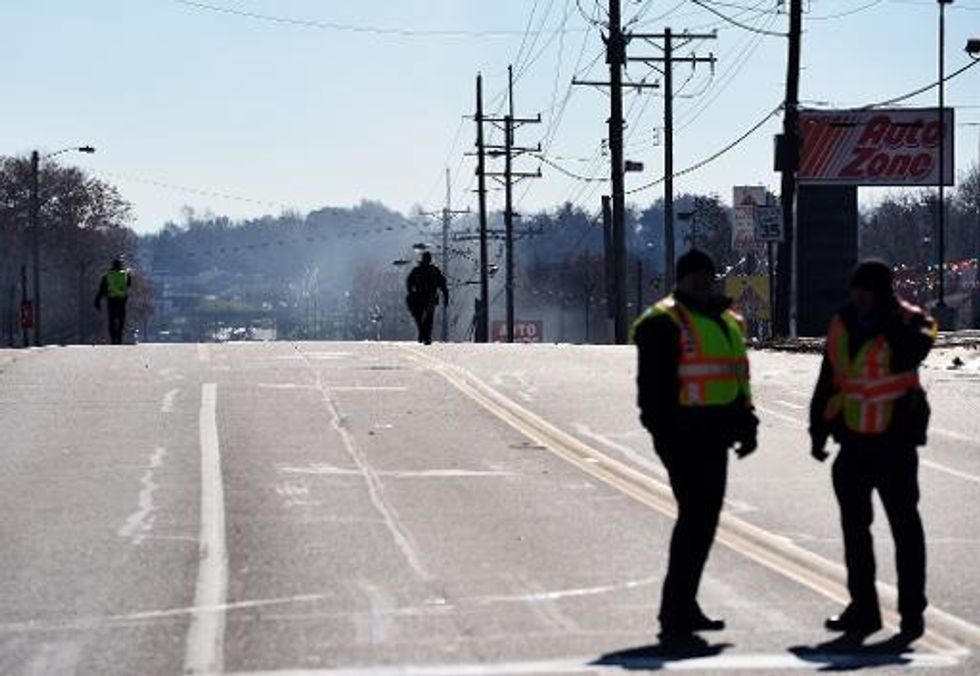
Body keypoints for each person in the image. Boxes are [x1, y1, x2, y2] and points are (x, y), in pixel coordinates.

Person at [632, 249, 759, 639]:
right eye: (699, 277)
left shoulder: (725, 320)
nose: (706, 283)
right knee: (695, 518)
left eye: (710, 276)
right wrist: (666, 435)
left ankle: (684, 605)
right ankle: (676, 610)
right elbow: (651, 394)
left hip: (717, 436)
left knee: (702, 521)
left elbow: (737, 377)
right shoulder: (663, 323)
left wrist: (747, 424)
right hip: (683, 437)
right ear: (683, 278)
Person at [809, 259, 936, 644]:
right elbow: (828, 379)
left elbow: (909, 356)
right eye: (856, 291)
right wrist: (817, 432)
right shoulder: (843, 323)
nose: (858, 298)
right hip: (853, 445)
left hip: (895, 446)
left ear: (882, 291)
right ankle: (863, 609)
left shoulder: (912, 321)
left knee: (905, 530)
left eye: (866, 291)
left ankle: (912, 613)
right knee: (855, 531)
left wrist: (890, 319)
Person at [406, 251, 448, 345]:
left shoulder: (417, 270)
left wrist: (411, 292)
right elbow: (443, 284)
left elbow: (409, 282)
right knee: (428, 319)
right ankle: (426, 336)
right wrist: (445, 296)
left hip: (420, 298)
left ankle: (423, 333)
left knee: (420, 318)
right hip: (430, 298)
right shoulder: (434, 270)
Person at [94, 257, 132, 345]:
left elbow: (102, 289)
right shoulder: (125, 274)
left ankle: (113, 337)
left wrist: (97, 300)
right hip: (122, 300)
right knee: (121, 319)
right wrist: (128, 275)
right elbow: (129, 285)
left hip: (111, 299)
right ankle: (119, 337)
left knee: (111, 318)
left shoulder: (107, 275)